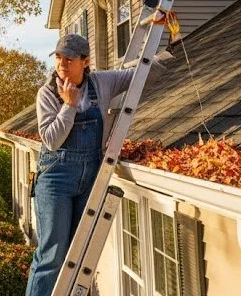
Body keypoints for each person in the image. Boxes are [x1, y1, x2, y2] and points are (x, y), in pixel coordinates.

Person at [25, 33, 171, 296]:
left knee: (78, 253)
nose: (62, 64)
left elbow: (138, 76)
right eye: (58, 57)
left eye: (69, 59)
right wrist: (69, 106)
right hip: (55, 178)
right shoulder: (47, 93)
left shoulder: (102, 82)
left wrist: (169, 52)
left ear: (85, 61)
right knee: (52, 256)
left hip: (90, 176)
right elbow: (52, 140)